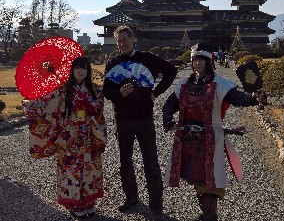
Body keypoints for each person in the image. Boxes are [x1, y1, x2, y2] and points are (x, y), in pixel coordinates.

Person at [162, 43, 266, 221]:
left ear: (208, 61)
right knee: (194, 176)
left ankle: (211, 215)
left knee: (210, 177)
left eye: (201, 59)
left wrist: (253, 98)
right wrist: (169, 120)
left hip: (210, 139)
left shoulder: (219, 84)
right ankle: (207, 212)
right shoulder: (185, 85)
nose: (197, 63)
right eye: (195, 59)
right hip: (187, 137)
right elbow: (169, 104)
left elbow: (238, 98)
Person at [103, 25, 178, 214]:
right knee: (125, 161)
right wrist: (119, 92)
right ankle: (131, 198)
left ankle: (156, 204)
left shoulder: (146, 58)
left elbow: (171, 71)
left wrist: (156, 93)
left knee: (150, 161)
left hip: (144, 117)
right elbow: (106, 91)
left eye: (124, 40)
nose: (121, 44)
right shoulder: (113, 63)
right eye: (118, 41)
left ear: (133, 39)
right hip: (122, 119)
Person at [23, 56, 107, 218]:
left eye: (83, 67)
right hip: (69, 136)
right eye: (77, 67)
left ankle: (89, 202)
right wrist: (30, 104)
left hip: (89, 135)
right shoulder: (63, 90)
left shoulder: (95, 89)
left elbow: (99, 108)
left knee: (90, 169)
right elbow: (47, 103)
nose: (80, 70)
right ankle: (74, 203)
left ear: (88, 70)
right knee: (71, 170)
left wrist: (89, 105)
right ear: (72, 70)